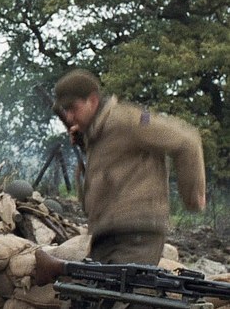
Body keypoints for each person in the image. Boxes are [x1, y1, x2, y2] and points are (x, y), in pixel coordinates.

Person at [53, 68, 206, 265]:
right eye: (66, 111)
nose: (69, 117)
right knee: (93, 285)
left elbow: (186, 141)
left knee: (122, 285)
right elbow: (112, 165)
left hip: (137, 235)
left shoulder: (128, 120)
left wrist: (193, 197)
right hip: (106, 233)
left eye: (73, 108)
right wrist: (86, 142)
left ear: (92, 100)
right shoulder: (96, 134)